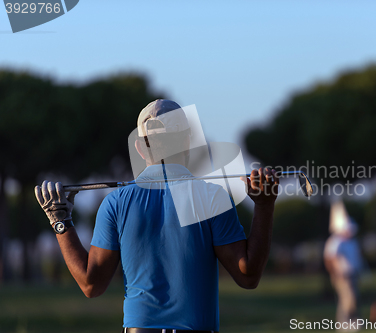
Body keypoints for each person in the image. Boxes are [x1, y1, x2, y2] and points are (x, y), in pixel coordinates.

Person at [35, 99, 279, 333]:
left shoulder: (115, 203)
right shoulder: (212, 197)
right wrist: (264, 206)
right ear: (187, 140)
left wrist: (60, 221)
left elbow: (91, 285)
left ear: (140, 147)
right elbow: (248, 277)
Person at [324, 202, 363, 325]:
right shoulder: (336, 241)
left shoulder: (351, 241)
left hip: (352, 274)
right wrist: (336, 272)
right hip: (342, 276)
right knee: (347, 299)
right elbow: (330, 257)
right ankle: (346, 322)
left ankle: (350, 321)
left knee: (351, 299)